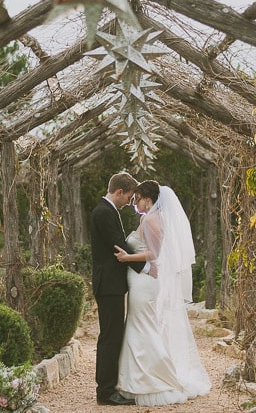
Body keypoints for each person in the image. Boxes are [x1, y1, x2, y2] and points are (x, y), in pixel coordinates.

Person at [113, 180, 211, 406]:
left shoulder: (151, 219)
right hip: (139, 280)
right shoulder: (147, 218)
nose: (135, 203)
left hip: (144, 282)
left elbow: (155, 253)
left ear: (148, 198)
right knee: (139, 326)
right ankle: (137, 379)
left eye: (137, 199)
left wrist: (127, 258)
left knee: (144, 327)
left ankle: (158, 378)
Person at [88, 171, 147, 406]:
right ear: (120, 192)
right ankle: (105, 392)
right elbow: (118, 246)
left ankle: (108, 387)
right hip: (108, 284)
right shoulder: (103, 212)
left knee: (113, 335)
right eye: (129, 197)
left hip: (112, 284)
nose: (130, 202)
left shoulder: (107, 210)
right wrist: (146, 265)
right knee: (110, 337)